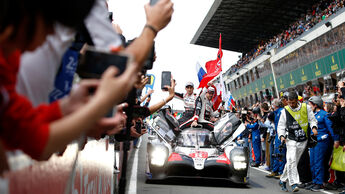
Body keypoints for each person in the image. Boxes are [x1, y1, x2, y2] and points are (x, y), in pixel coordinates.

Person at [0, 0, 139, 160]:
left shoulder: (10, 58)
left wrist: (66, 106)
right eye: (50, 28)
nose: (50, 39)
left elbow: (22, 124)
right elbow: (38, 144)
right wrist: (100, 104)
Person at [277, 91, 318, 192]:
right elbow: (281, 125)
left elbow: (312, 119)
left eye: (293, 102)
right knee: (291, 160)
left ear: (297, 100)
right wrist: (281, 136)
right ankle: (294, 183)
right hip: (290, 138)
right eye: (289, 103)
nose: (291, 105)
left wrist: (314, 127)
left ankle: (282, 180)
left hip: (303, 138)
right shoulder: (284, 111)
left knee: (293, 161)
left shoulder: (306, 107)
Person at [307, 96, 335, 191]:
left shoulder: (324, 114)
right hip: (313, 141)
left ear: (315, 105)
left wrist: (335, 140)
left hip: (322, 142)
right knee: (312, 162)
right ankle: (315, 181)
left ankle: (319, 183)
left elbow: (330, 128)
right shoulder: (312, 114)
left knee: (318, 162)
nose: (309, 106)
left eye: (310, 105)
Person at [266, 99, 286, 179]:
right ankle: (275, 170)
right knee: (276, 153)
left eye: (273, 104)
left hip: (281, 134)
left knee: (281, 153)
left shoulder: (282, 111)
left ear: (275, 105)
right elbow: (270, 117)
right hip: (277, 134)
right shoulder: (275, 112)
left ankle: (281, 172)